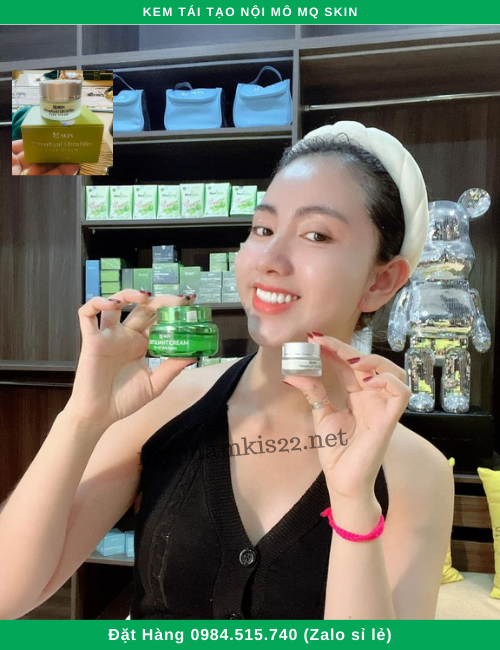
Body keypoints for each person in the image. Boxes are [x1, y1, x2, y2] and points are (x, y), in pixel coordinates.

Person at [0, 121, 454, 621]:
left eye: (316, 234)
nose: (269, 259)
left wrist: (352, 502)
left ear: (381, 280)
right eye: (263, 229)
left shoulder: (417, 471)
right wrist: (82, 418)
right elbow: (8, 596)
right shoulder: (164, 405)